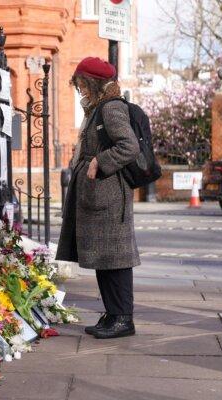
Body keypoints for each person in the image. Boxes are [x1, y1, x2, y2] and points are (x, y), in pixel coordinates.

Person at [56, 57, 140, 339]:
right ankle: (112, 314)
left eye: (81, 84)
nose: (80, 89)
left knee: (116, 260)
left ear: (92, 82)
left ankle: (123, 319)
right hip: (99, 194)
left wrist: (99, 162)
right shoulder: (96, 108)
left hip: (109, 195)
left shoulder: (111, 108)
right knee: (105, 261)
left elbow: (129, 147)